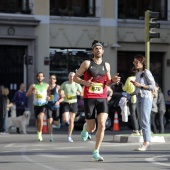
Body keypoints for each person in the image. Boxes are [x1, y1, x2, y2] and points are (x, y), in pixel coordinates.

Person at [73, 40, 121, 161]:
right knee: (91, 129)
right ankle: (86, 127)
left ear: (103, 51)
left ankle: (96, 151)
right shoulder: (87, 63)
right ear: (92, 51)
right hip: (89, 97)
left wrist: (113, 80)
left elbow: (108, 82)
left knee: (102, 124)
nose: (98, 50)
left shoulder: (107, 65)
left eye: (100, 48)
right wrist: (85, 82)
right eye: (96, 49)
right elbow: (75, 77)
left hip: (102, 98)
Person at [132, 54, 155, 151]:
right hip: (139, 98)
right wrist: (129, 94)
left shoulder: (146, 72)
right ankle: (145, 142)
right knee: (141, 121)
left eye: (137, 62)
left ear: (142, 62)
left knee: (145, 120)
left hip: (146, 98)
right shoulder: (137, 74)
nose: (135, 64)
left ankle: (146, 143)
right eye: (134, 62)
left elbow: (152, 86)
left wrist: (140, 85)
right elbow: (137, 89)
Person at [60, 72, 83, 142]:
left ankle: (69, 136)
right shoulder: (65, 84)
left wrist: (79, 93)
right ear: (68, 77)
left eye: (73, 76)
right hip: (66, 103)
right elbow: (60, 90)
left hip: (74, 103)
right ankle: (67, 119)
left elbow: (82, 93)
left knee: (72, 120)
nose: (72, 77)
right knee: (65, 120)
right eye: (70, 76)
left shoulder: (77, 85)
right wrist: (62, 93)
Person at [26, 72, 49, 141]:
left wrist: (49, 97)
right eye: (39, 76)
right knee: (37, 120)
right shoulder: (33, 86)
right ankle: (38, 131)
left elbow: (50, 94)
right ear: (36, 77)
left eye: (41, 76)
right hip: (36, 105)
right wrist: (32, 91)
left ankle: (40, 133)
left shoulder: (47, 85)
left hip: (44, 104)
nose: (40, 77)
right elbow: (27, 94)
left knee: (40, 117)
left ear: (43, 77)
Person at [122, 68, 141, 135]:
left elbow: (125, 88)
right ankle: (141, 129)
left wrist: (122, 86)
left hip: (132, 98)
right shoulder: (139, 79)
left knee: (133, 115)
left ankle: (136, 130)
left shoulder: (129, 79)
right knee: (139, 115)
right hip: (139, 98)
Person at [46, 74, 64, 142]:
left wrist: (59, 101)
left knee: (55, 123)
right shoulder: (47, 87)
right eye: (51, 78)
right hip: (49, 106)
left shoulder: (58, 87)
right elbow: (44, 95)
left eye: (53, 79)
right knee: (49, 121)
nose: (52, 80)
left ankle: (58, 123)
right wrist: (46, 97)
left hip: (56, 106)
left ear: (56, 80)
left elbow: (63, 97)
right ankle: (51, 135)